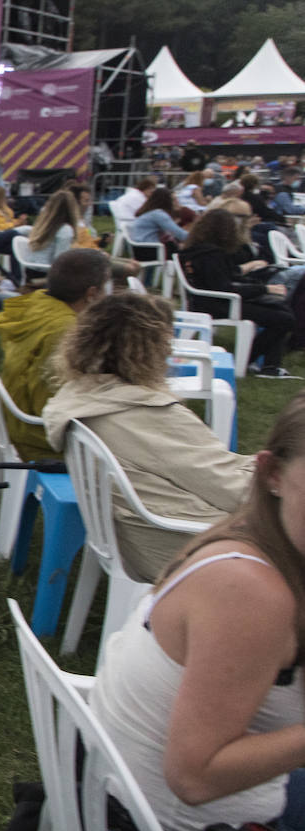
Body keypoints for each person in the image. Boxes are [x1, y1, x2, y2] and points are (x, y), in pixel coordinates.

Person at [87, 389, 305, 831]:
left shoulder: (257, 537)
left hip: (130, 808)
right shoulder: (250, 592)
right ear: (271, 474)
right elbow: (196, 776)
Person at [43, 292, 255, 581]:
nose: (169, 353)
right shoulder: (148, 414)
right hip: (192, 545)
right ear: (148, 350)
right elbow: (234, 491)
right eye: (167, 342)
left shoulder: (80, 397)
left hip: (137, 537)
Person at [0, 248, 109, 460]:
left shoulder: (40, 303)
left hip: (18, 419)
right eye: (105, 288)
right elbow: (50, 401)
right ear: (91, 294)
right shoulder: (64, 330)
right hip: (39, 434)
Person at [179, 207, 298, 378]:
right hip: (218, 304)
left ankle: (270, 366)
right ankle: (247, 360)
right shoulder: (212, 254)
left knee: (281, 310)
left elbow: (224, 279)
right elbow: (225, 287)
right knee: (284, 318)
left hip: (208, 300)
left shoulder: (196, 250)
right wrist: (264, 288)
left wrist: (256, 285)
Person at [25, 190, 83, 268]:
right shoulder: (65, 230)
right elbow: (60, 261)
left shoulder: (43, 226)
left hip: (30, 268)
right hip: (46, 271)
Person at [129, 187, 188, 257]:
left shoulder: (152, 212)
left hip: (141, 249)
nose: (178, 202)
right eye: (174, 200)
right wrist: (198, 236)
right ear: (166, 201)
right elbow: (180, 234)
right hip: (149, 251)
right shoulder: (158, 214)